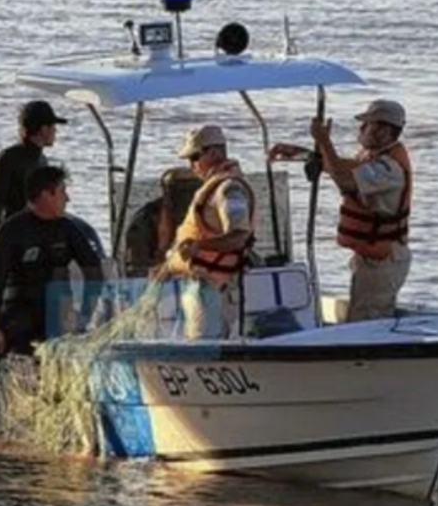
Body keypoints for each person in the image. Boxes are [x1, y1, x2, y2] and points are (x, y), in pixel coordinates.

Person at [0, 165, 104, 440]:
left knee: (67, 360)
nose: (67, 199)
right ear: (45, 195)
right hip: (18, 307)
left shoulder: (68, 228)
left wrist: (84, 316)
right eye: (62, 192)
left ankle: (75, 426)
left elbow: (95, 273)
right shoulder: (12, 230)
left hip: (57, 310)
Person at [270, 99, 412, 322]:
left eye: (368, 125)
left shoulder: (389, 168)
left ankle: (367, 355)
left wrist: (324, 140)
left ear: (384, 131)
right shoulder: (371, 158)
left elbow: (345, 181)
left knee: (368, 320)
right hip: (371, 254)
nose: (362, 129)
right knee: (360, 313)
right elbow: (337, 165)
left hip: (385, 258)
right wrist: (302, 153)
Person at [159, 124, 256, 339]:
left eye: (195, 157)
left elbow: (239, 236)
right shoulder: (212, 187)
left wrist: (199, 247)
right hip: (201, 284)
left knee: (205, 346)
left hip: (215, 288)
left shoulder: (229, 189)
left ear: (214, 153)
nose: (191, 165)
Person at [0, 100, 68, 238]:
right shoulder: (8, 159)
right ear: (43, 129)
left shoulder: (41, 159)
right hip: (13, 236)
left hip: (33, 235)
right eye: (53, 126)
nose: (56, 131)